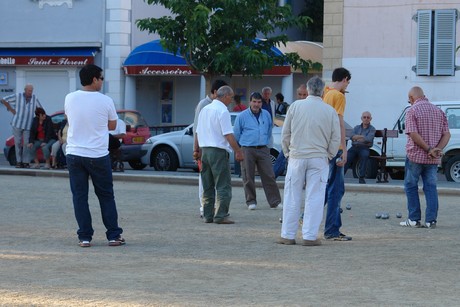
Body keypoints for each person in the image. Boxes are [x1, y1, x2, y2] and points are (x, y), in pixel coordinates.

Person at [65, 64, 125, 248]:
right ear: (94, 80)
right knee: (106, 195)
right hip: (97, 154)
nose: (102, 81)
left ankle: (84, 237)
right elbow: (113, 126)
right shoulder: (105, 100)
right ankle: (113, 235)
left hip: (74, 153)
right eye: (101, 78)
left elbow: (70, 120)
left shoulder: (70, 98)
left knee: (79, 196)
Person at [278, 76, 340, 246]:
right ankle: (310, 236)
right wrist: (329, 155)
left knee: (292, 196)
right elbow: (336, 138)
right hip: (319, 157)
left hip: (297, 157)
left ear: (308, 88)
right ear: (322, 89)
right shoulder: (329, 111)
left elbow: (286, 133)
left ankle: (288, 235)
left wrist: (287, 152)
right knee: (315, 197)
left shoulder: (295, 107)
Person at [400, 86, 450, 229]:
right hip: (432, 159)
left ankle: (414, 219)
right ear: (424, 95)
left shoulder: (412, 111)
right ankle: (431, 221)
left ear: (411, 98)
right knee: (431, 188)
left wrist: (428, 149)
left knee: (411, 186)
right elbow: (447, 134)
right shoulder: (439, 111)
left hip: (415, 156)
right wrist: (437, 149)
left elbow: (413, 133)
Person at [194, 85, 244, 224]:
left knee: (207, 185)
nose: (232, 100)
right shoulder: (222, 111)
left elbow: (197, 132)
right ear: (226, 96)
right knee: (223, 185)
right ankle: (221, 215)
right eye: (231, 97)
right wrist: (238, 151)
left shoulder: (205, 109)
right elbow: (228, 134)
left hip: (204, 151)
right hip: (218, 151)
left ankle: (208, 215)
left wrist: (196, 150)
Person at [233, 92, 282, 210]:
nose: (256, 104)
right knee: (248, 175)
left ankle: (275, 201)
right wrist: (239, 150)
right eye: (254, 101)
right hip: (247, 148)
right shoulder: (242, 116)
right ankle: (251, 201)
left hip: (263, 148)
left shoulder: (266, 115)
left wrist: (268, 147)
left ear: (261, 103)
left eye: (259, 102)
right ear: (250, 102)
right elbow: (237, 134)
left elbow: (269, 130)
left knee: (269, 175)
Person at [323, 67, 353, 241]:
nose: (347, 85)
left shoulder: (326, 92)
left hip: (324, 146)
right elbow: (340, 123)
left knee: (330, 187)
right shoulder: (339, 96)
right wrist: (344, 148)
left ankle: (331, 226)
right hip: (335, 146)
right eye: (347, 82)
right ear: (345, 79)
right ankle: (332, 230)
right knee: (336, 189)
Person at [193, 79, 228, 218]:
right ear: (215, 92)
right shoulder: (204, 105)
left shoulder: (219, 106)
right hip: (205, 147)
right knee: (205, 181)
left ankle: (214, 207)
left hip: (212, 146)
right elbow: (197, 128)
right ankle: (204, 207)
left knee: (213, 180)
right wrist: (196, 149)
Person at [1, 84, 43, 168]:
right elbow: (4, 100)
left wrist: (40, 119)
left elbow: (40, 109)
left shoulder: (34, 98)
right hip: (17, 123)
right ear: (25, 90)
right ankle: (18, 162)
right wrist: (11, 109)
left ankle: (26, 162)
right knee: (18, 143)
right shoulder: (18, 96)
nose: (31, 92)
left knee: (27, 144)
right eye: (29, 90)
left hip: (28, 125)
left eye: (32, 90)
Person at [273, 84, 309, 178]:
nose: (302, 97)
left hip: (304, 142)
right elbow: (287, 127)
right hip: (292, 140)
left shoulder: (311, 108)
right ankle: (271, 182)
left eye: (304, 95)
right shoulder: (293, 107)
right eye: (300, 94)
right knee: (281, 161)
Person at [344, 111, 376, 184]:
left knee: (364, 156)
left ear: (370, 119)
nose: (366, 119)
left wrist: (358, 137)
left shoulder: (372, 129)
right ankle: (341, 176)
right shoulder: (356, 127)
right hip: (354, 147)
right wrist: (362, 137)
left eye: (368, 117)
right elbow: (352, 137)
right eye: (364, 117)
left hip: (364, 147)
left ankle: (361, 177)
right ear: (361, 118)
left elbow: (369, 139)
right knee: (347, 157)